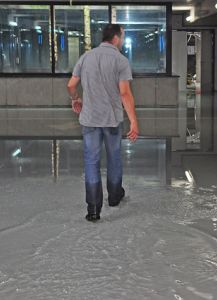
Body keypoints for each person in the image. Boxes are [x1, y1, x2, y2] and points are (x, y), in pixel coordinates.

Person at [67, 24, 139, 222]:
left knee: (91, 162)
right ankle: (114, 197)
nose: (122, 40)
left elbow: (71, 85)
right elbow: (124, 93)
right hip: (112, 120)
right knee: (114, 158)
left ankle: (93, 209)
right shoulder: (120, 60)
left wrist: (76, 99)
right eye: (122, 36)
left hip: (90, 120)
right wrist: (134, 121)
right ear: (116, 38)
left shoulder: (85, 57)